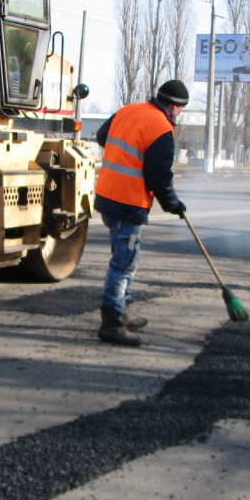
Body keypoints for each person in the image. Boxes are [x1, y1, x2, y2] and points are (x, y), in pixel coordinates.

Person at [94, 80, 189, 345]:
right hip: (128, 202)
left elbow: (103, 136)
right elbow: (160, 177)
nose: (179, 115)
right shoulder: (161, 128)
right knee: (124, 263)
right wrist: (173, 204)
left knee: (124, 257)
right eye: (181, 110)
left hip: (107, 196)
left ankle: (121, 310)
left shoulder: (127, 110)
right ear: (173, 107)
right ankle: (111, 323)